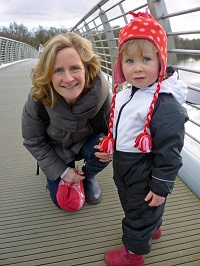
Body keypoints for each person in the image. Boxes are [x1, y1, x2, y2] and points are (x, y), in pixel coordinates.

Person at [95, 9, 189, 266]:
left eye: (146, 59)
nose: (137, 68)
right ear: (120, 65)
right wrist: (110, 146)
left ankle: (132, 255)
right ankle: (152, 227)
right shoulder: (128, 93)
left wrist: (160, 186)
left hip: (145, 170)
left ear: (161, 61)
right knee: (139, 205)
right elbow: (122, 127)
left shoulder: (164, 104)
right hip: (126, 165)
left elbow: (170, 151)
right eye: (129, 61)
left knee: (137, 211)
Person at [22, 32, 112, 211]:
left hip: (85, 142)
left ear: (87, 68)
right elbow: (33, 141)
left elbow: (112, 129)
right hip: (55, 149)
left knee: (104, 145)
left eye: (75, 68)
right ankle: (66, 172)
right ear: (48, 74)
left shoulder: (101, 95)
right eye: (58, 70)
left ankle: (87, 176)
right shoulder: (37, 100)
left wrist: (111, 148)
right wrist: (62, 171)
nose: (68, 78)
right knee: (64, 203)